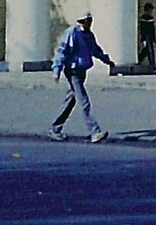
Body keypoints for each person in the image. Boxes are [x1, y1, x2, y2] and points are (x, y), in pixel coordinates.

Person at [48, 11, 115, 143]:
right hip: (73, 71)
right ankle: (95, 131)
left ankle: (55, 129)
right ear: (82, 21)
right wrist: (56, 70)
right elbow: (62, 51)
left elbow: (95, 50)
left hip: (82, 70)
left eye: (91, 20)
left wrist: (107, 61)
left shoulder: (89, 35)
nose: (90, 23)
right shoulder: (72, 33)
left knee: (71, 100)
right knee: (84, 101)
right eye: (88, 20)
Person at [138, 3, 156, 69]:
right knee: (149, 51)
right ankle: (152, 64)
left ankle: (150, 63)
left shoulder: (151, 18)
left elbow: (152, 29)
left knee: (147, 51)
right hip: (147, 37)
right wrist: (143, 39)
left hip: (150, 37)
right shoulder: (144, 18)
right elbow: (143, 30)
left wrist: (154, 38)